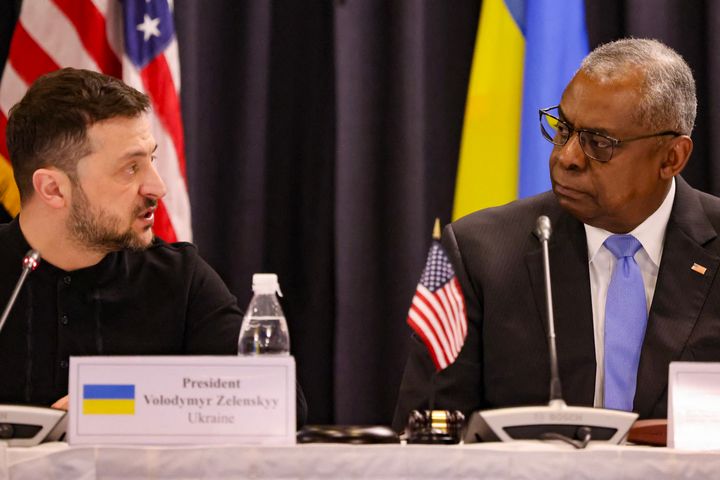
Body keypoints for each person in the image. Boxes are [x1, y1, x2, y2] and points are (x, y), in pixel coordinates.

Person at [393, 38, 717, 432]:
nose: (566, 158)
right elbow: (430, 431)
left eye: (599, 143)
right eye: (563, 129)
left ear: (672, 158)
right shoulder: (482, 252)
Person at [0, 68, 306, 426]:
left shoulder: (178, 278)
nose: (157, 187)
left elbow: (277, 404)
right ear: (53, 189)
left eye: (152, 160)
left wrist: (112, 403)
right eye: (130, 168)